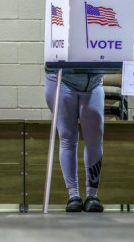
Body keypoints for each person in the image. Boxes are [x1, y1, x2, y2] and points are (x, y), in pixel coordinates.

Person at [44, 72, 105, 212]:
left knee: (94, 138)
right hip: (61, 78)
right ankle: (73, 196)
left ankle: (92, 196)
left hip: (93, 80)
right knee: (67, 136)